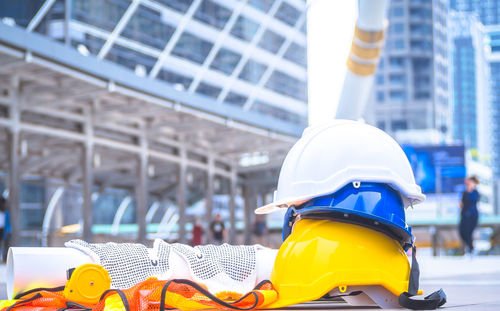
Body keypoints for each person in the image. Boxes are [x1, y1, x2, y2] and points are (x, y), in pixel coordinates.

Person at [459, 176, 480, 256]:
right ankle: (470, 248)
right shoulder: (465, 192)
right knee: (462, 232)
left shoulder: (475, 192)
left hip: (472, 216)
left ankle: (471, 249)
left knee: (468, 232)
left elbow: (473, 201)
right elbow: (462, 202)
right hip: (464, 215)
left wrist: (470, 190)